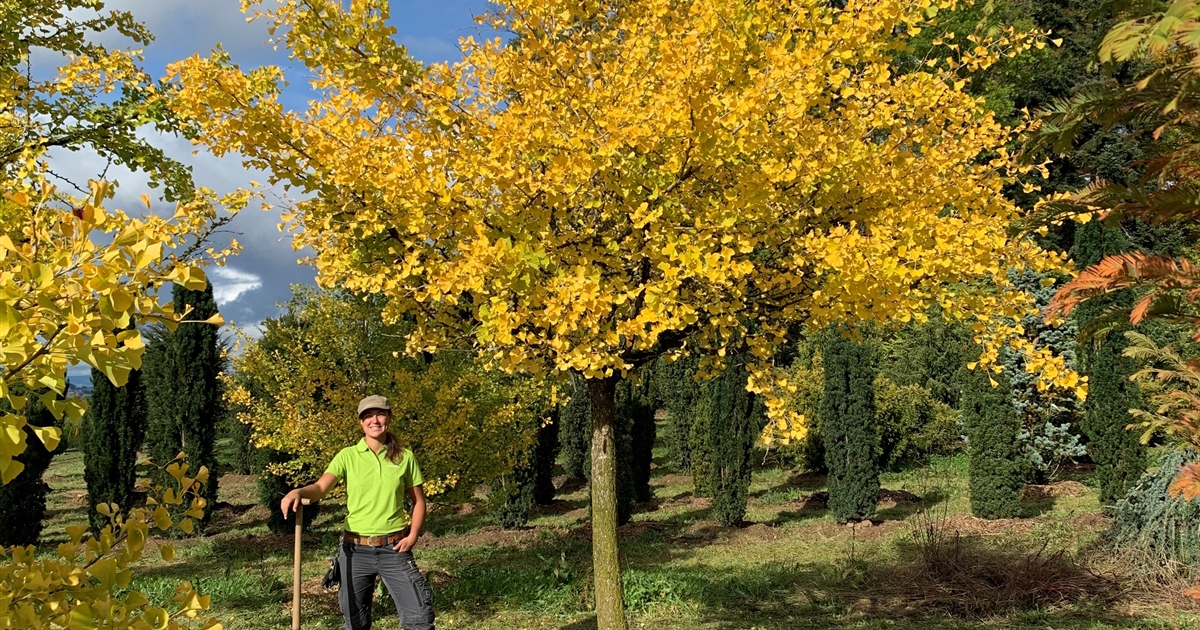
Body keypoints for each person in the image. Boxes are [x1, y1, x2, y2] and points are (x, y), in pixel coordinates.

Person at [281, 395, 435, 630]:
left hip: (394, 548)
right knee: (355, 623)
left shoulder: (405, 457)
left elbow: (419, 501)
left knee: (419, 619)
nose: (375, 420)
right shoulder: (347, 456)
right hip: (355, 552)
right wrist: (298, 491)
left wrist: (413, 535)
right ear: (361, 422)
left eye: (380, 414)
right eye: (368, 415)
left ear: (389, 418)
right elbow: (321, 488)